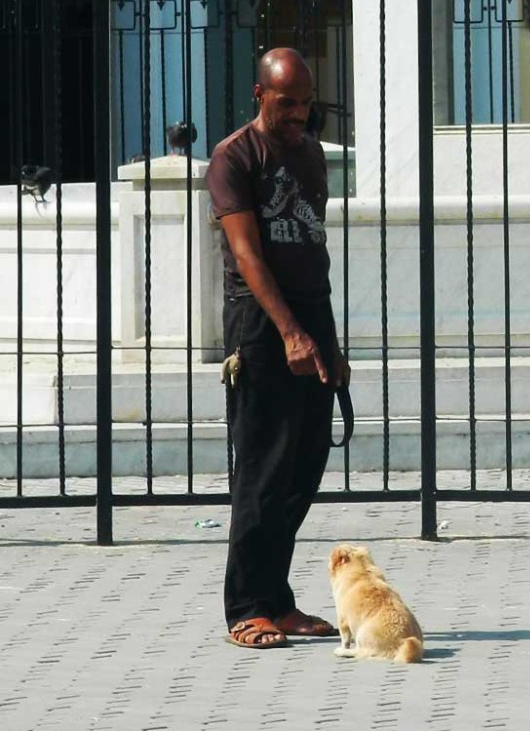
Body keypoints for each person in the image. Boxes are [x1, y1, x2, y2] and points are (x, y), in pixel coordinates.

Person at [206, 47, 349, 650]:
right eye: (287, 103)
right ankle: (246, 606)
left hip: (311, 315)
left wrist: (327, 341)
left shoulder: (311, 152)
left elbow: (312, 252)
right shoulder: (234, 157)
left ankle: (277, 600)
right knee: (263, 470)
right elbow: (247, 256)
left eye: (305, 103)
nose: (298, 114)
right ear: (261, 95)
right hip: (260, 326)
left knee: (304, 466)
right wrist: (289, 332)